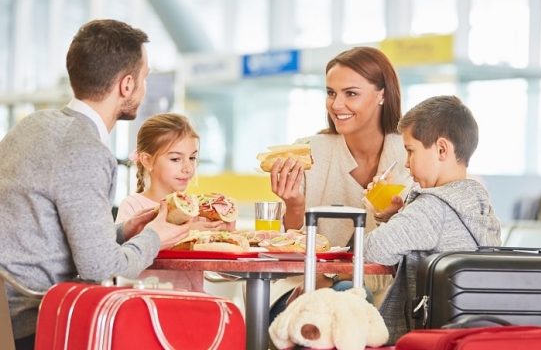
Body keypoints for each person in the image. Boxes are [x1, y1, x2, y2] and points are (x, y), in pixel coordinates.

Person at [0, 19, 190, 350]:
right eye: (144, 78)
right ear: (127, 85)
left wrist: (124, 231)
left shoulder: (31, 126)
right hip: (39, 323)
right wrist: (155, 236)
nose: (143, 89)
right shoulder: (86, 150)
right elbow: (99, 267)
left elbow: (47, 236)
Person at [268, 46, 413, 318]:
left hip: (385, 297)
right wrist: (294, 206)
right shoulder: (310, 153)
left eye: (351, 94)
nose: (336, 105)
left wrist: (394, 218)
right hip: (301, 289)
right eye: (331, 93)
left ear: (382, 94)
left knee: (351, 296)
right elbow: (284, 248)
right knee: (347, 298)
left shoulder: (410, 157)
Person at [363, 95, 502, 343]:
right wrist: (397, 217)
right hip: (469, 337)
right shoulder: (481, 206)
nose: (406, 164)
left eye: (410, 151)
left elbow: (373, 249)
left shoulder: (432, 206)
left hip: (425, 339)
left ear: (441, 149)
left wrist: (399, 217)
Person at [116, 112, 234, 291]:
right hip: (148, 305)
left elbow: (226, 273)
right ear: (147, 161)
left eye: (192, 158)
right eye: (176, 159)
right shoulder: (134, 207)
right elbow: (125, 264)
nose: (188, 167)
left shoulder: (197, 210)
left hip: (192, 305)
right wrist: (190, 234)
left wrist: (226, 237)